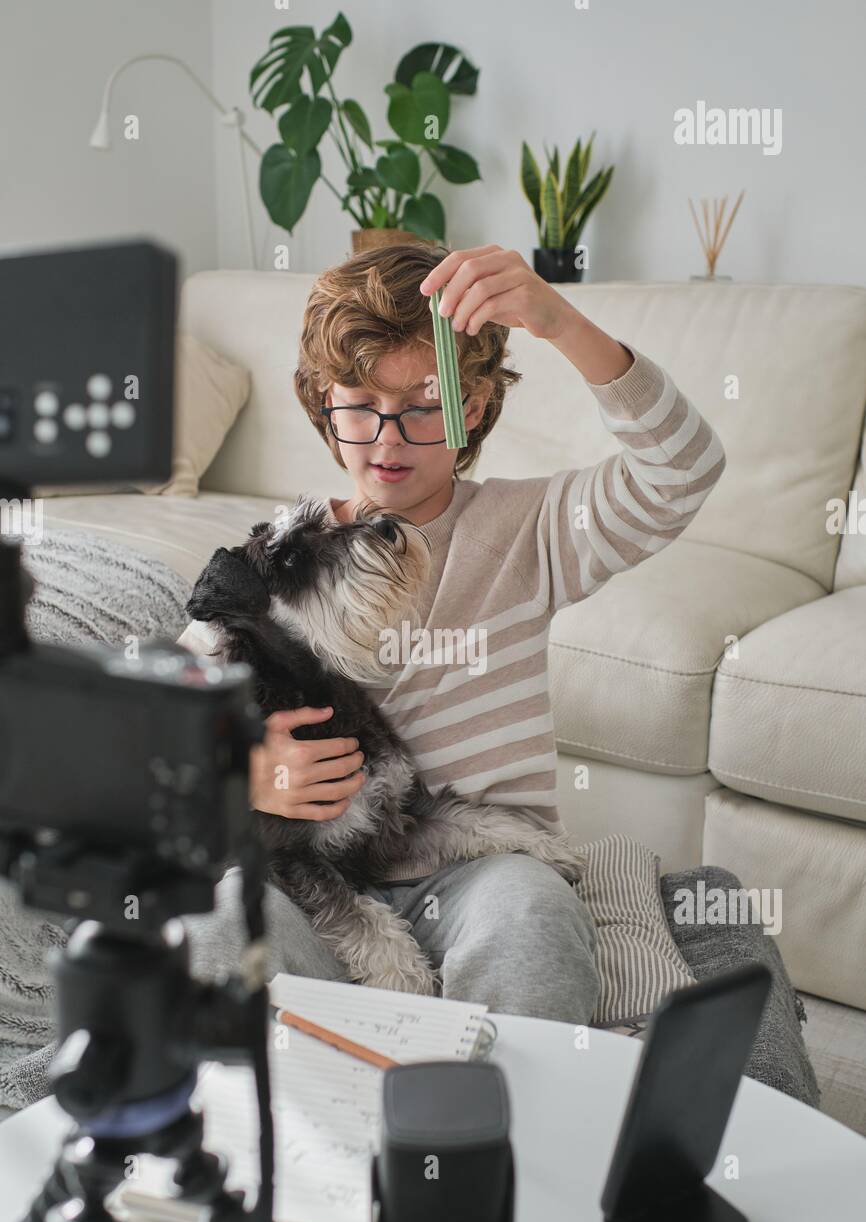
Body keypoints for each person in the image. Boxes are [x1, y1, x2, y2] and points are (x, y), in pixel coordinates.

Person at [177, 243, 726, 1025]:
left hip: (481, 873)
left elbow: (685, 469)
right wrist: (242, 773)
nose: (389, 438)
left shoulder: (528, 530)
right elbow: (156, 732)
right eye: (360, 402)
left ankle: (493, 1130)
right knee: (213, 924)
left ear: (472, 405)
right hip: (307, 882)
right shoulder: (269, 564)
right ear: (320, 400)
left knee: (532, 926)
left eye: (425, 403)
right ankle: (324, 1118)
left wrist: (558, 321)